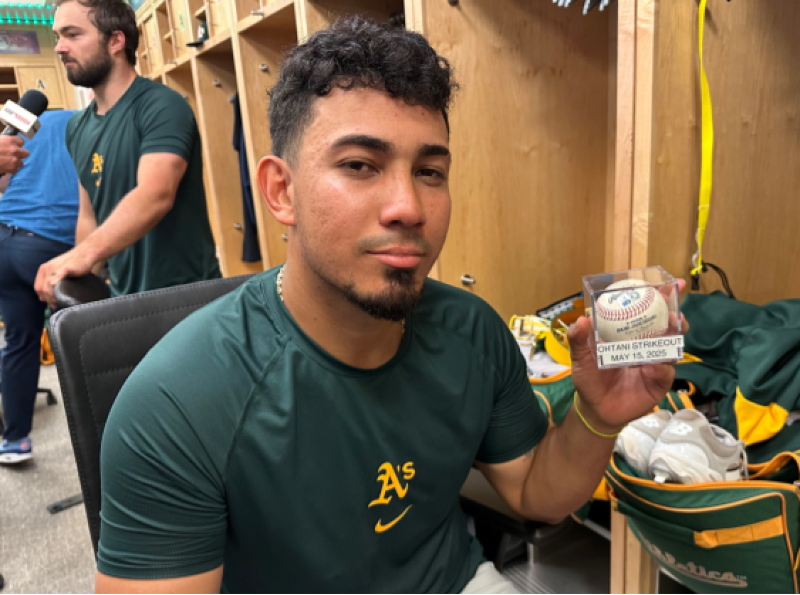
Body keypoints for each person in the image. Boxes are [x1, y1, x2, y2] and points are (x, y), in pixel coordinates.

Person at [93, 18, 683, 594]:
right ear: (281, 191)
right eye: (359, 165)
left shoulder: (472, 332)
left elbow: (535, 492)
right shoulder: (176, 401)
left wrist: (597, 418)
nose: (408, 206)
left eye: (429, 171)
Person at [35, 0, 220, 307]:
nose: (59, 47)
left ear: (116, 40)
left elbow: (155, 194)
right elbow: (88, 214)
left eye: (72, 35)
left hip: (187, 299)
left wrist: (82, 254)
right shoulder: (76, 127)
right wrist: (82, 284)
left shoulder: (161, 105)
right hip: (124, 302)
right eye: (57, 37)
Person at [0, 110, 78, 464]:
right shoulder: (86, 122)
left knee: (19, 340)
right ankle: (99, 437)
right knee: (79, 342)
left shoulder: (23, 127)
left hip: (5, 239)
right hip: (50, 244)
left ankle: (15, 440)